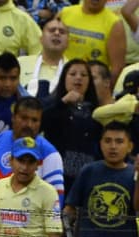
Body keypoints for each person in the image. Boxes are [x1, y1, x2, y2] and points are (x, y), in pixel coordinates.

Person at [0, 96, 64, 237]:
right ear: (13, 118)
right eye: (24, 118)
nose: (29, 125)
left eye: (35, 120)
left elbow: (56, 202)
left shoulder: (50, 154)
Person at [0, 135, 63, 237]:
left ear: (37, 165)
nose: (24, 167)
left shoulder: (48, 192)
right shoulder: (0, 187)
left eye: (30, 162)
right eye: (20, 160)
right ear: (11, 161)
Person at [42, 59, 103, 195]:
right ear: (64, 78)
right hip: (56, 173)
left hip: (86, 175)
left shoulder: (97, 111)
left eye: (83, 75)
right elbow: (41, 124)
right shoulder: (53, 105)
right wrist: (63, 102)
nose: (78, 78)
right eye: (73, 74)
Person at [19, 17, 68, 99]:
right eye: (52, 30)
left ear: (68, 42)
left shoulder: (72, 69)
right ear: (41, 39)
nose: (57, 33)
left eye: (62, 32)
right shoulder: (20, 62)